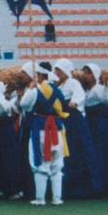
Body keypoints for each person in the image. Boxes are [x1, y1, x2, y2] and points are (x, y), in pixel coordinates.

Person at [20, 63, 70, 206]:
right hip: (57, 130)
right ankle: (56, 198)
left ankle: (40, 199)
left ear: (40, 76)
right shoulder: (59, 91)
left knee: (39, 163)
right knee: (57, 165)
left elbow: (24, 104)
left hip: (40, 130)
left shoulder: (37, 91)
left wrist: (30, 89)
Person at [52, 59, 100, 198]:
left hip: (74, 121)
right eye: (56, 70)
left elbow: (80, 95)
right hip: (64, 121)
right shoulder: (60, 86)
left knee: (78, 151)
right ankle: (68, 186)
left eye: (59, 70)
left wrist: (75, 102)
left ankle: (83, 187)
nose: (57, 73)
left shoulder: (73, 83)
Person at [81, 63, 108, 196]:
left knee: (102, 152)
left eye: (89, 73)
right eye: (85, 72)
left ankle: (107, 184)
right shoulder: (88, 89)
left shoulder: (99, 88)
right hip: (91, 123)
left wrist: (105, 85)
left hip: (100, 125)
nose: (86, 76)